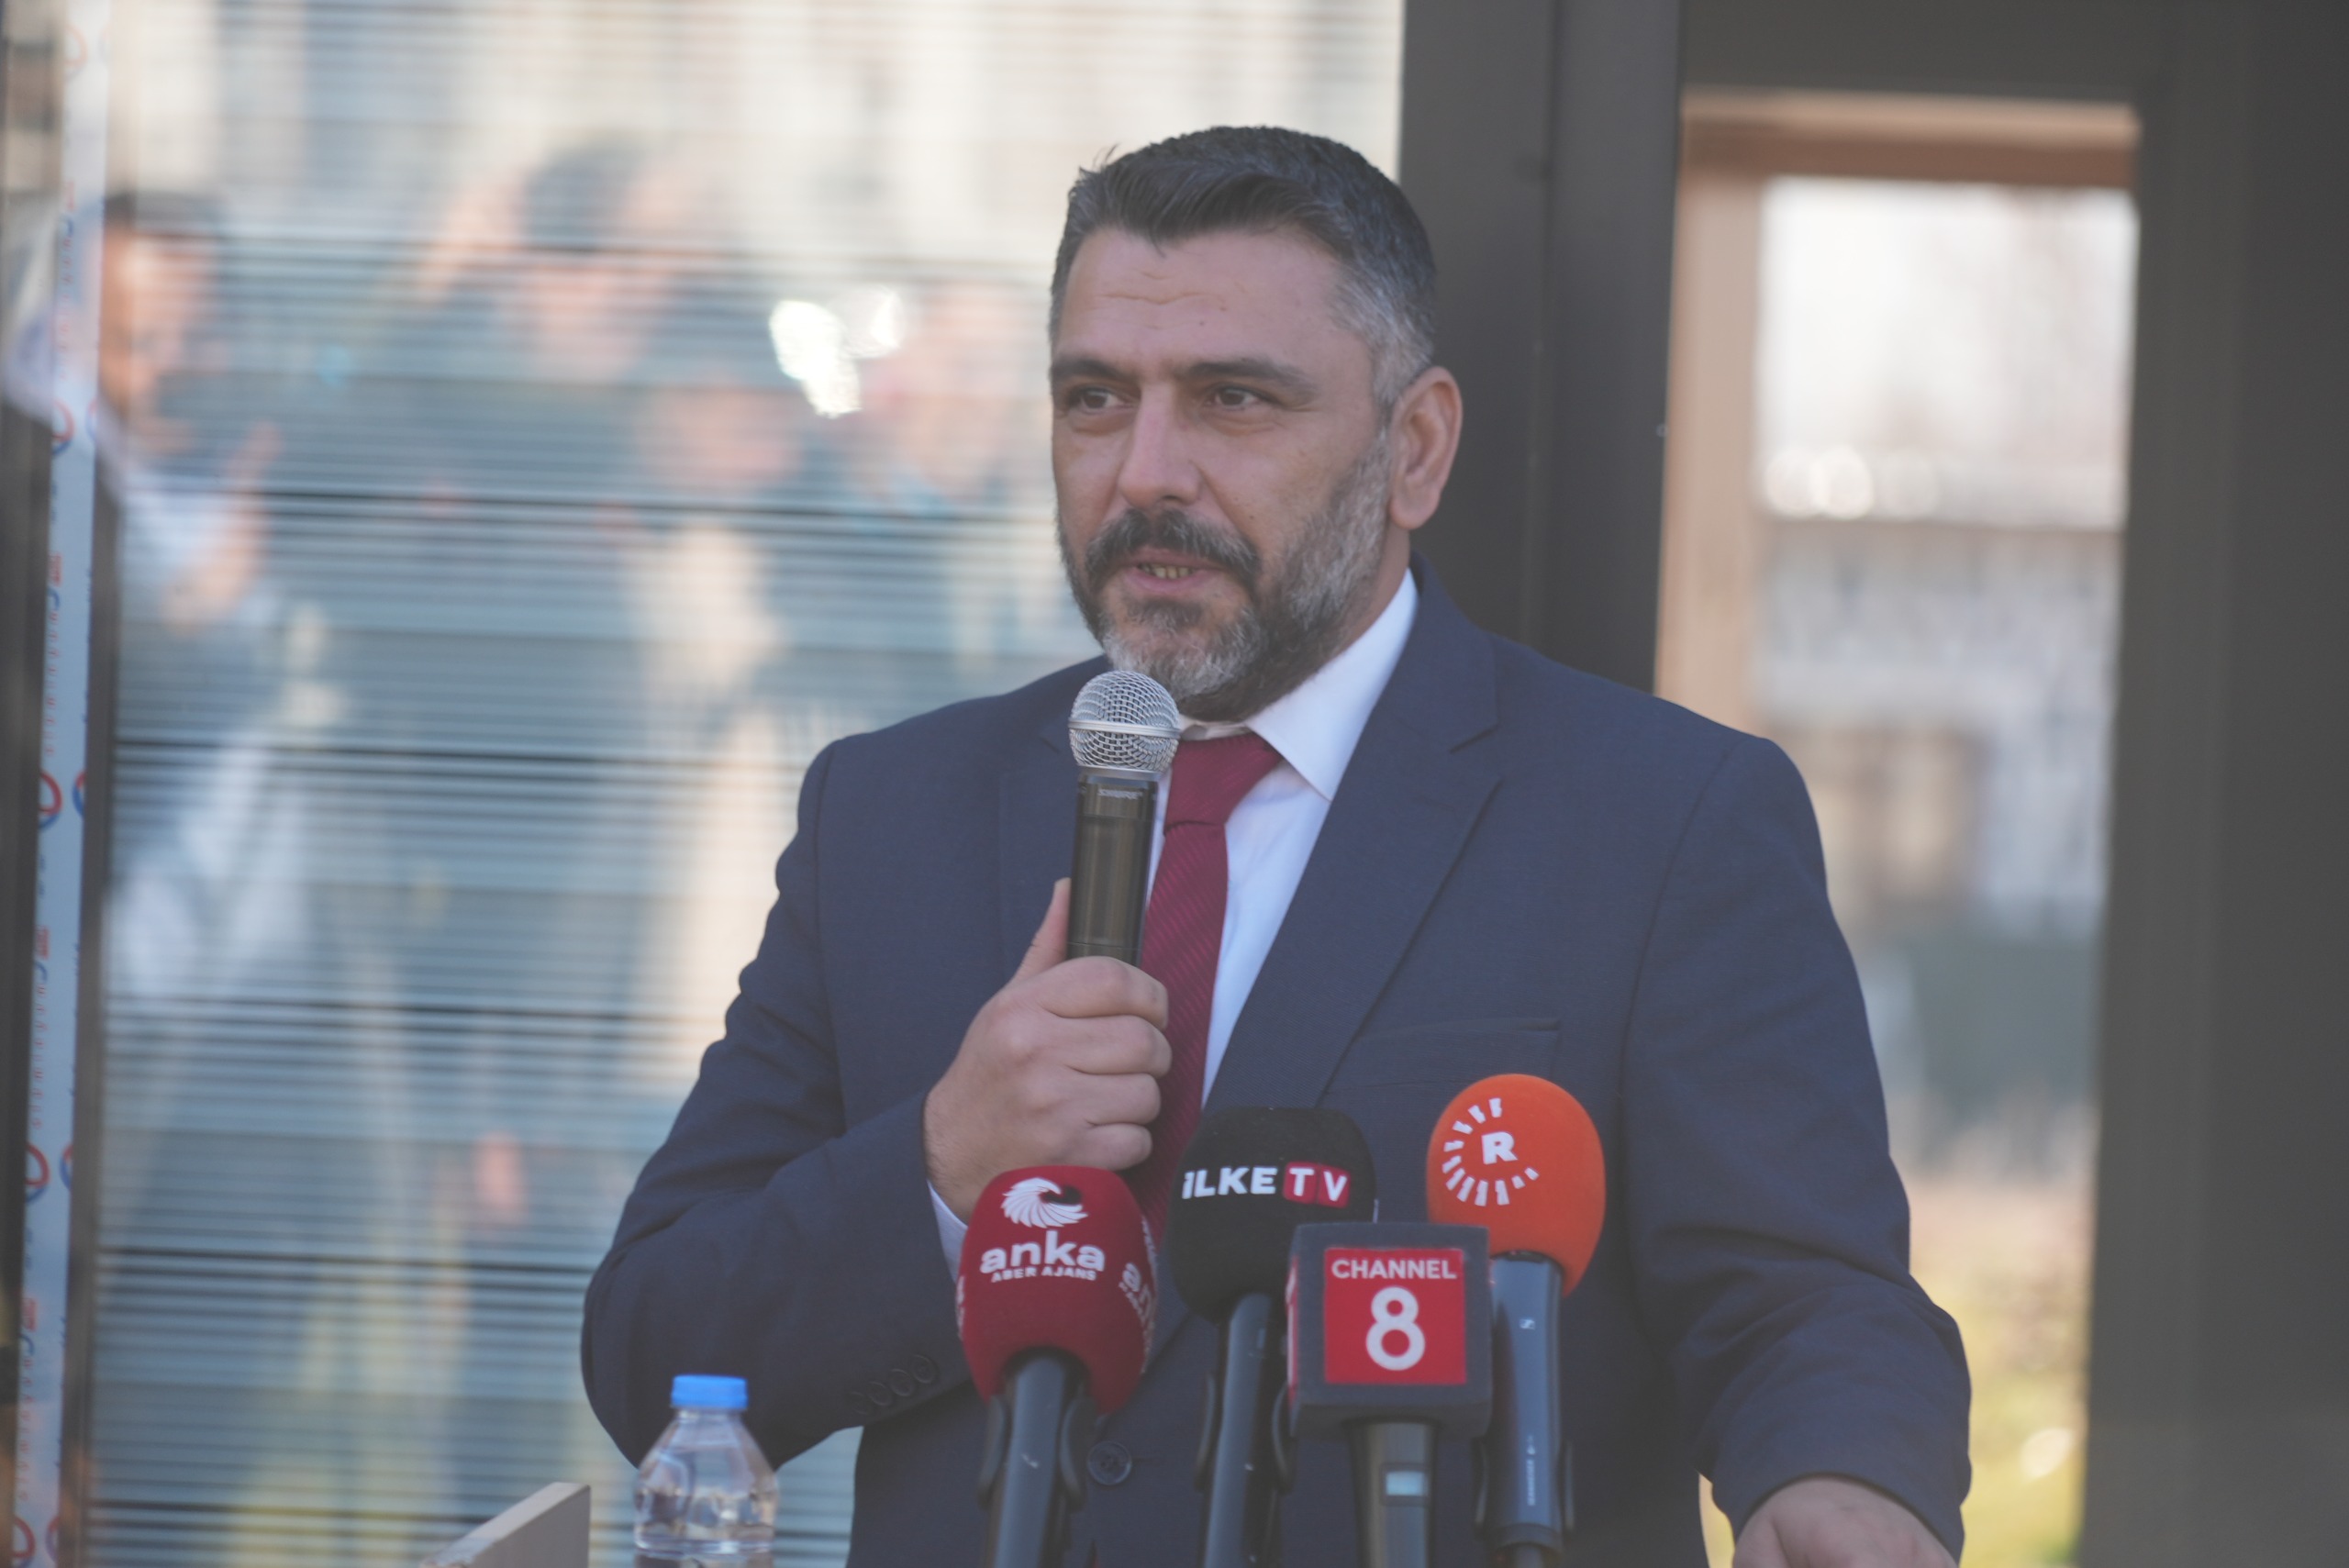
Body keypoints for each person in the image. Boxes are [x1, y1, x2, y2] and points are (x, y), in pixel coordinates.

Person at [584, 127, 1969, 1568]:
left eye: (1233, 399)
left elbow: (1806, 1304)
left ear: (1414, 449)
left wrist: (1845, 1479)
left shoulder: (1661, 819)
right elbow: (654, 1350)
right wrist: (944, 1164)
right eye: (1094, 399)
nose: (1145, 473)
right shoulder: (890, 813)